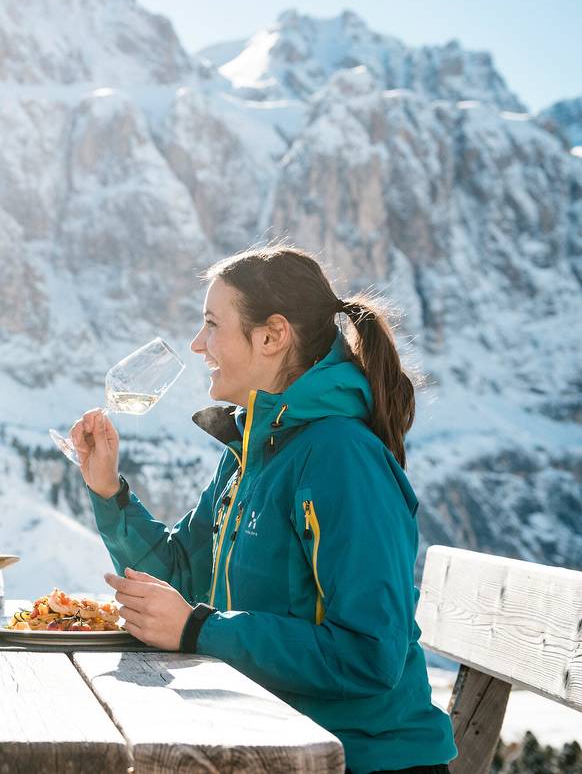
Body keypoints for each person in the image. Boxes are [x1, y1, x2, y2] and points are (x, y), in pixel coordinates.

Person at [71, 245, 456, 774]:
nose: (196, 344)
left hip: (359, 759)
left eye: (211, 324)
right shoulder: (252, 452)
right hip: (271, 742)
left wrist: (200, 630)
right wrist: (110, 491)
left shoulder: (341, 457)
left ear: (272, 337)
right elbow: (182, 575)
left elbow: (370, 654)